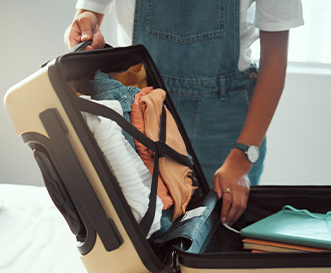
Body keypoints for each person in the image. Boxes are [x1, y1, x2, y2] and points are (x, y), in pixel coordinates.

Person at [65, 0, 303, 225]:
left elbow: (275, 59)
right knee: (143, 234)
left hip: (225, 126)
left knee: (216, 240)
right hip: (142, 111)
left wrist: (242, 156)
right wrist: (83, 28)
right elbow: (88, 16)